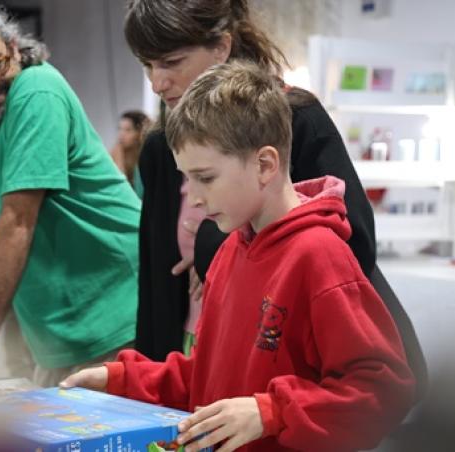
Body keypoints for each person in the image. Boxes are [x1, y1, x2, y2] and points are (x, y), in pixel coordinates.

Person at [62, 61, 415, 452]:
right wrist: (120, 379)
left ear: (265, 165)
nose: (194, 197)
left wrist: (270, 413)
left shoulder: (319, 256)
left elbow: (382, 390)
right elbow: (209, 379)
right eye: (187, 178)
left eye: (206, 177)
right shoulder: (231, 250)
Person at [124, 0, 426, 398]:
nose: (156, 82)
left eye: (172, 62)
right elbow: (158, 285)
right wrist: (142, 386)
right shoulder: (161, 149)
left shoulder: (295, 120)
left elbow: (353, 242)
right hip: (211, 364)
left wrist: (211, 247)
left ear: (222, 47)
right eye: (147, 65)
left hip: (297, 376)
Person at [0, 0, 140, 386]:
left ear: (15, 48)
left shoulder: (37, 91)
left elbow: (17, 221)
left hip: (118, 303)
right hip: (55, 324)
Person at [108, 110, 149, 196]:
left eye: (128, 130)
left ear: (140, 132)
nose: (121, 134)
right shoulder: (116, 152)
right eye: (120, 129)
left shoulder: (145, 156)